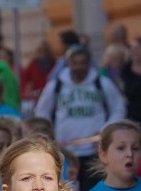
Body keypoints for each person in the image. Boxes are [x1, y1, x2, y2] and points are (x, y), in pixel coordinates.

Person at [32, 45, 124, 179]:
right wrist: (48, 134)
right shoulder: (55, 85)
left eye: (83, 63)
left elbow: (119, 109)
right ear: (68, 63)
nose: (78, 67)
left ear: (89, 63)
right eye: (75, 63)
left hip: (95, 151)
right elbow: (42, 112)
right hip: (64, 151)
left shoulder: (102, 83)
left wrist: (105, 130)